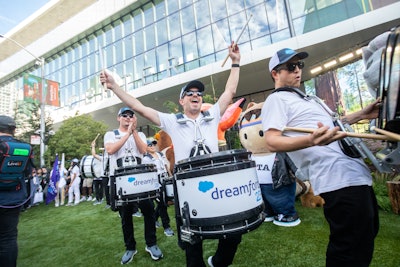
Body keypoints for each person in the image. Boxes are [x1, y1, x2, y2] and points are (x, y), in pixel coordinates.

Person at [100, 41, 241, 267]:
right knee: (192, 244)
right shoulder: (172, 121)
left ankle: (217, 262)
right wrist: (115, 87)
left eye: (199, 93)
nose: (196, 95)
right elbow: (139, 107)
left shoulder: (212, 114)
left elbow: (230, 91)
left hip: (215, 184)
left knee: (233, 233)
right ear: (182, 100)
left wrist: (235, 62)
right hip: (187, 189)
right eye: (190, 93)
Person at [260, 48, 380, 266]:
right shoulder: (276, 100)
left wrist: (362, 114)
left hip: (353, 172)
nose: (297, 70)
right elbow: (272, 141)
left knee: (366, 234)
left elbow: (335, 126)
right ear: (275, 74)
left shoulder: (308, 99)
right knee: (349, 247)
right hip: (336, 178)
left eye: (299, 66)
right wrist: (311, 141)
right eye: (290, 66)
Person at [104, 107, 163, 264]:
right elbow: (110, 150)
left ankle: (151, 244)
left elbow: (144, 150)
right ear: (119, 118)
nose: (128, 118)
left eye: (131, 116)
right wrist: (127, 134)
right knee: (125, 216)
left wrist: (134, 132)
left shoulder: (141, 134)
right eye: (125, 115)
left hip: (139, 180)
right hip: (120, 181)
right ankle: (130, 247)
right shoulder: (111, 134)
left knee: (148, 210)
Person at [0, 115, 34, 267]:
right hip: (14, 199)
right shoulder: (24, 147)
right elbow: (28, 172)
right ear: (13, 130)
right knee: (8, 239)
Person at [142, 139, 174, 237]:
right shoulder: (146, 158)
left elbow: (165, 165)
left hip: (164, 178)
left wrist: (170, 175)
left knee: (163, 201)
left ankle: (155, 218)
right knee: (162, 203)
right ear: (146, 148)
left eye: (153, 145)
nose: (152, 146)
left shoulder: (160, 154)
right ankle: (166, 227)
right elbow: (147, 172)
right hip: (155, 181)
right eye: (150, 145)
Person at [90, 140, 104, 205]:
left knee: (100, 189)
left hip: (101, 176)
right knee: (96, 189)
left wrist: (93, 147)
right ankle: (98, 199)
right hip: (96, 176)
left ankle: (100, 199)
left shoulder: (102, 158)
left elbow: (94, 154)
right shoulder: (95, 160)